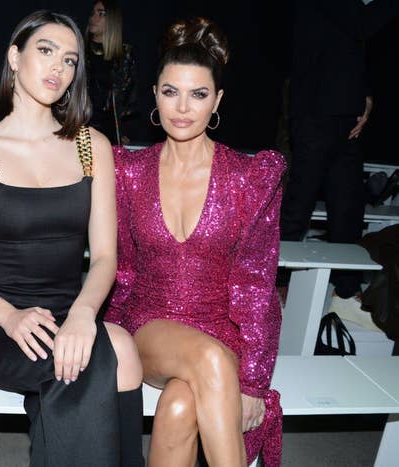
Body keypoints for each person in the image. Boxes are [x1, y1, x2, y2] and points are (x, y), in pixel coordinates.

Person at [0, 10, 144, 467]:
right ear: (14, 56)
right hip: (1, 322)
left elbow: (106, 256)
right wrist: (9, 317)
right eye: (45, 51)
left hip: (74, 310)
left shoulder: (93, 146)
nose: (58, 68)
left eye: (70, 60)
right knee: (103, 362)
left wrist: (84, 316)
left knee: (112, 353)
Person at [104, 17, 285, 467]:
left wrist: (254, 381)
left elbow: (257, 285)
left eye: (198, 94)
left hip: (221, 328)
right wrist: (104, 347)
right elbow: (122, 270)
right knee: (209, 359)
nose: (182, 107)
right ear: (155, 95)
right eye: (170, 92)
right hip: (149, 325)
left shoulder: (249, 178)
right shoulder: (127, 171)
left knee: (181, 406)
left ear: (217, 100)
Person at [279, 0, 399, 312]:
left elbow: (349, 44)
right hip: (317, 110)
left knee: (348, 206)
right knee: (299, 203)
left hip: (345, 109)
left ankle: (346, 292)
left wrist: (364, 96)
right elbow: (360, 25)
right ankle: (274, 285)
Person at [84, 0, 138, 145]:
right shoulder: (79, 51)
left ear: (112, 20)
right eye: (93, 13)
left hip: (110, 134)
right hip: (79, 130)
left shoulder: (124, 54)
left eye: (101, 14)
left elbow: (130, 98)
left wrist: (123, 130)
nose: (93, 18)